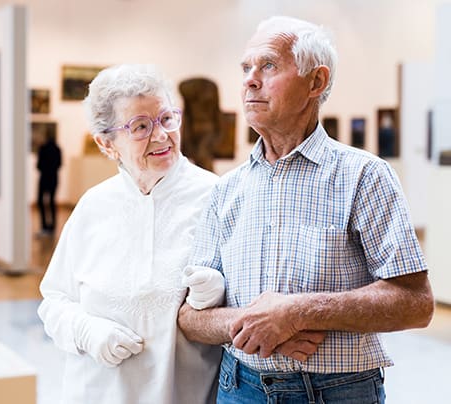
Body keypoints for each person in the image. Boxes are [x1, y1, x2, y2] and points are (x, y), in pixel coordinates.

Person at [177, 16, 434, 403]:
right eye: (246, 68)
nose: (249, 80)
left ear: (316, 81)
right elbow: (190, 318)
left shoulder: (363, 176)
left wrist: (299, 312)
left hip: (337, 392)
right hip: (240, 387)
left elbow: (415, 303)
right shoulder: (226, 190)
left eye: (267, 66)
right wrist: (253, 325)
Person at [37, 64, 224, 403]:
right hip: (96, 392)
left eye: (167, 119)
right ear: (107, 144)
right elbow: (54, 301)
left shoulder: (218, 198)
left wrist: (219, 293)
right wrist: (85, 331)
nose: (161, 135)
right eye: (140, 127)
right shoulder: (93, 206)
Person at [36, 131, 62, 234]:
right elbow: (59, 164)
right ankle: (52, 227)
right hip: (54, 178)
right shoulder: (57, 149)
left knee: (41, 201)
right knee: (52, 202)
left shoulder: (43, 148)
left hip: (44, 178)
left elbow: (38, 165)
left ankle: (44, 226)